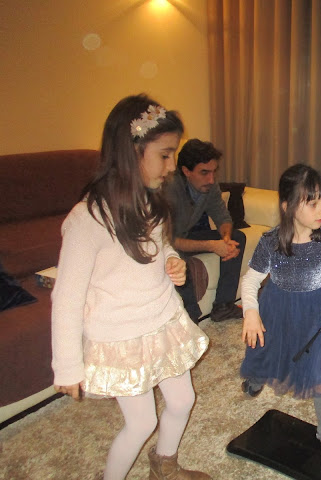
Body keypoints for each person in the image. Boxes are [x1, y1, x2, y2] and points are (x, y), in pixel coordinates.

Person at [51, 94, 210, 480]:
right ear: (131, 151)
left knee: (183, 400)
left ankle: (164, 465)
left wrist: (171, 259)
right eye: (165, 155)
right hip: (122, 336)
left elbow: (160, 245)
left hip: (161, 320)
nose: (171, 167)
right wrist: (67, 365)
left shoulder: (150, 201)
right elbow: (67, 298)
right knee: (141, 423)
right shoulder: (87, 220)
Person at [240, 164, 321, 467]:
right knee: (269, 349)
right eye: (312, 203)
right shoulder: (271, 242)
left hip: (320, 315)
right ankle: (256, 376)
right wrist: (251, 312)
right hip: (278, 308)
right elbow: (250, 281)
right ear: (287, 206)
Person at [165, 138, 246, 323]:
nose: (211, 179)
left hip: (187, 235)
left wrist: (226, 240)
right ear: (186, 171)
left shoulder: (210, 187)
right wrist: (212, 245)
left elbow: (223, 218)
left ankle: (223, 306)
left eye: (213, 172)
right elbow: (169, 240)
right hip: (167, 242)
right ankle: (191, 318)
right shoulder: (169, 189)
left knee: (237, 237)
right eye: (204, 172)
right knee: (180, 260)